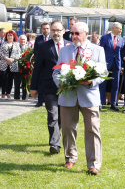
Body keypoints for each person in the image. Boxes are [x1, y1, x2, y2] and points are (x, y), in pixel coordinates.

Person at [52, 22, 106, 175]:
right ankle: (70, 157)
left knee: (93, 129)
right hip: (68, 96)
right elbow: (56, 72)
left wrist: (91, 81)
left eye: (77, 33)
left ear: (86, 34)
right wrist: (61, 82)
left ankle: (94, 164)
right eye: (72, 33)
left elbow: (104, 73)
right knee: (68, 129)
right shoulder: (64, 50)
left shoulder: (97, 50)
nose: (74, 36)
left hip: (89, 97)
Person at [30, 20, 71, 154]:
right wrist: (34, 87)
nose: (55, 33)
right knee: (53, 114)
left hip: (66, 87)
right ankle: (55, 144)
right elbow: (37, 68)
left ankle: (56, 138)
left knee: (61, 117)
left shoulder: (70, 46)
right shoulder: (43, 46)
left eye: (58, 30)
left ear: (63, 31)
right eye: (53, 30)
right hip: (49, 86)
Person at [99, 22, 124, 111]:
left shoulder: (121, 39)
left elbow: (122, 53)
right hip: (106, 64)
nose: (121, 30)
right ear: (114, 28)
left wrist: (122, 66)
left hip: (116, 64)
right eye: (119, 28)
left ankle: (113, 103)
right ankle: (100, 103)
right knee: (103, 84)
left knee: (115, 84)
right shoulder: (105, 38)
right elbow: (100, 50)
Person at [0, 30, 20, 100]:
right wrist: (7, 59)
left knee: (10, 80)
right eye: (8, 35)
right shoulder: (3, 43)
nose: (9, 37)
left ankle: (8, 93)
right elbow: (1, 53)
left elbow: (18, 54)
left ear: (14, 36)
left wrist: (12, 59)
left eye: (11, 35)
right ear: (6, 36)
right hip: (4, 64)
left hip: (13, 64)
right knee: (3, 79)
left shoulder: (17, 44)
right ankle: (3, 94)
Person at [33, 22, 51, 107]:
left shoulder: (52, 38)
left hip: (51, 64)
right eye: (44, 28)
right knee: (40, 82)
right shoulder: (38, 39)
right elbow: (35, 50)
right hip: (41, 64)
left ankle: (49, 101)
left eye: (47, 28)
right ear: (41, 29)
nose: (45, 30)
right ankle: (40, 101)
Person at [18, 34, 28, 100]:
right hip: (17, 67)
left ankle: (25, 97)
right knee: (17, 83)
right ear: (19, 40)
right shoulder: (16, 47)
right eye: (21, 39)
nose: (22, 41)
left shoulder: (29, 47)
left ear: (26, 41)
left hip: (26, 68)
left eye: (24, 39)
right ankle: (17, 96)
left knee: (25, 83)